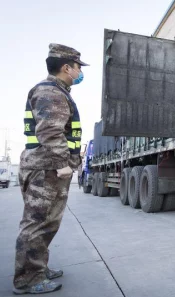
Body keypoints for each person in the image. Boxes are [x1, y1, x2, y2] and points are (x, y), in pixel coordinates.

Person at [14, 43, 88, 294]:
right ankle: (27, 280)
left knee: (48, 223)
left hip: (47, 168)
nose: (80, 72)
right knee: (36, 224)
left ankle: (38, 268)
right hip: (46, 168)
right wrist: (62, 165)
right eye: (78, 67)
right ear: (66, 67)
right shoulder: (50, 92)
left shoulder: (58, 91)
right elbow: (49, 131)